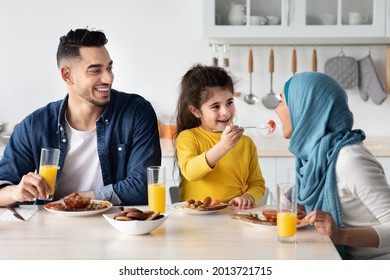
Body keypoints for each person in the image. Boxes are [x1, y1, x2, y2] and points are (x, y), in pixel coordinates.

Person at [0, 28, 161, 206]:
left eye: (109, 68)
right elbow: (2, 186)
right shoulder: (35, 125)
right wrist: (16, 192)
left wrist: (75, 201)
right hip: (51, 228)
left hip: (115, 226)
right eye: (95, 70)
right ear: (67, 75)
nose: (109, 78)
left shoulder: (137, 112)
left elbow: (143, 186)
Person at [276, 72, 390, 260]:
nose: (277, 110)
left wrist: (339, 234)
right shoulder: (316, 156)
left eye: (282, 101)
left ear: (304, 108)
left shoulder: (350, 159)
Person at [174, 64, 266, 209]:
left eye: (229, 102)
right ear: (196, 111)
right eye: (215, 106)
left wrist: (248, 196)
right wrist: (223, 147)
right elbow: (190, 172)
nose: (225, 112)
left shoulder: (246, 143)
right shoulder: (188, 137)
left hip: (235, 216)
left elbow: (257, 184)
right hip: (196, 220)